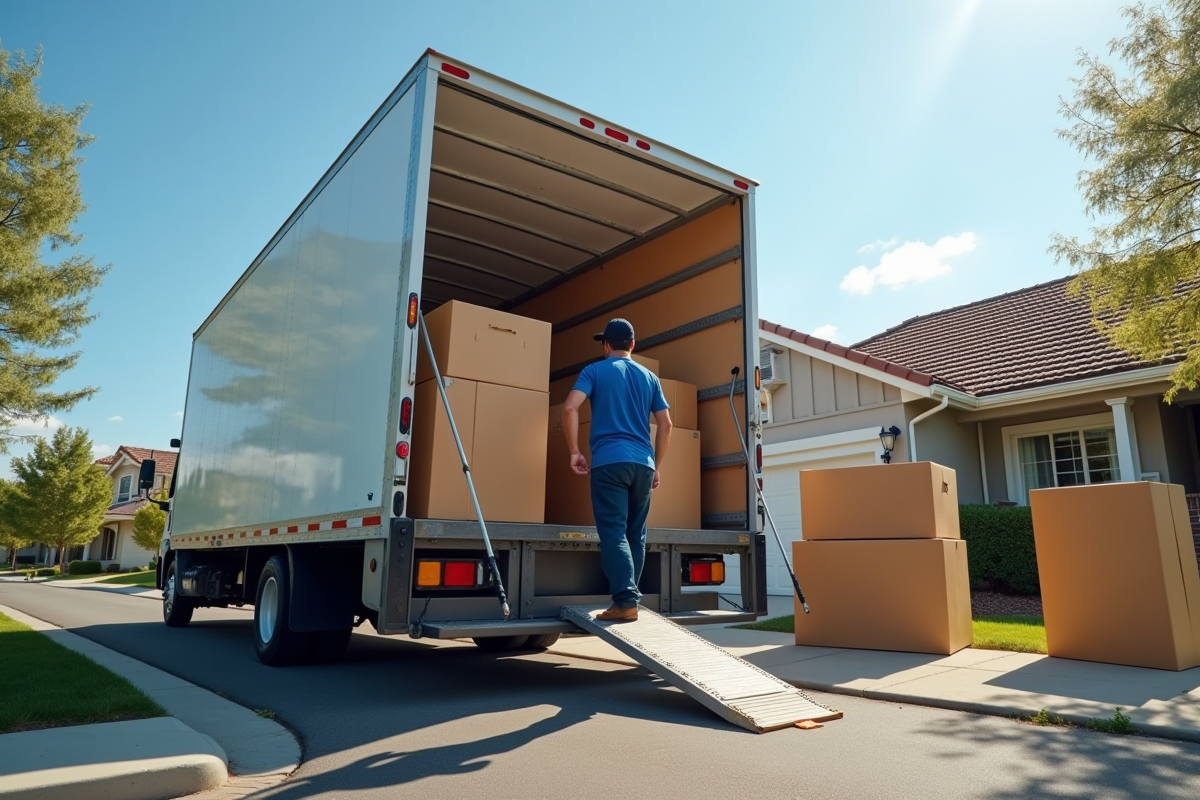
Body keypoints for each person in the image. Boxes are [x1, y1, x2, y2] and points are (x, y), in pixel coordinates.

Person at [562, 318, 672, 622]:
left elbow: (570, 407)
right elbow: (666, 424)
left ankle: (624, 601)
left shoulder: (594, 370)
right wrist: (657, 465)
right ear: (633, 345)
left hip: (610, 463)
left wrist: (574, 451)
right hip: (643, 465)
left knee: (613, 531)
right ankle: (630, 598)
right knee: (636, 534)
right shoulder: (650, 377)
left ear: (606, 345)